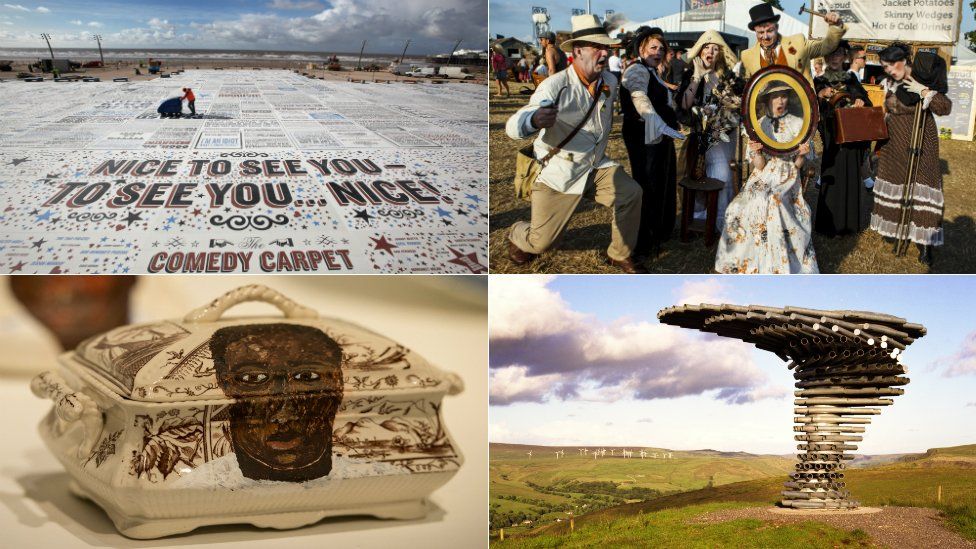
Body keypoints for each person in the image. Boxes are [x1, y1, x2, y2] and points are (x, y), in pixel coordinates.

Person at [505, 14, 646, 273]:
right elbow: (513, 126)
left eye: (606, 47)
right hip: (560, 173)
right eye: (597, 47)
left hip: (595, 166)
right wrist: (534, 119)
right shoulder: (554, 86)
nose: (604, 53)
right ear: (578, 51)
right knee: (542, 243)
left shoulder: (610, 82)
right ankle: (517, 232)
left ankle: (619, 253)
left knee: (631, 193)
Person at [211, 323, 344, 482]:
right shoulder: (199, 486)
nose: (283, 416)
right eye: (253, 378)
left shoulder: (371, 476)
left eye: (307, 376)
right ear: (223, 382)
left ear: (338, 383)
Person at [715, 83, 819, 274]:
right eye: (775, 96)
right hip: (762, 174)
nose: (780, 100)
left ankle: (778, 262)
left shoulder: (798, 124)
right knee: (738, 207)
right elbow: (760, 166)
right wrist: (755, 152)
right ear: (767, 101)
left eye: (784, 96)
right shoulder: (759, 124)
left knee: (774, 202)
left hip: (788, 173)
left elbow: (797, 166)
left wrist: (802, 155)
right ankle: (749, 259)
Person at [868, 43, 951, 266]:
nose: (888, 70)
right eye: (884, 66)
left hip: (922, 141)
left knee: (921, 188)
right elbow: (885, 110)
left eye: (890, 65)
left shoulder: (925, 76)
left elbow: (945, 107)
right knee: (898, 186)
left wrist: (924, 92)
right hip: (894, 142)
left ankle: (925, 246)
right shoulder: (890, 83)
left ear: (904, 61)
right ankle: (899, 231)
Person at [621, 27, 682, 260]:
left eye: (661, 49)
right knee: (648, 183)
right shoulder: (636, 70)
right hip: (643, 134)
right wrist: (659, 123)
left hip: (657, 134)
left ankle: (660, 229)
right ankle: (645, 238)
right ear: (641, 49)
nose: (658, 52)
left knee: (663, 178)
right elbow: (640, 98)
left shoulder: (652, 71)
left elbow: (661, 99)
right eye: (653, 48)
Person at [678, 29, 740, 230]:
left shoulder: (726, 76)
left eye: (715, 49)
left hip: (724, 133)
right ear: (700, 51)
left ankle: (721, 217)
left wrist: (725, 101)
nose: (710, 52)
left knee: (723, 173)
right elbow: (686, 105)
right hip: (700, 136)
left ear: (719, 54)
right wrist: (697, 77)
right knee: (703, 173)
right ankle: (711, 215)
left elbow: (736, 103)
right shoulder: (690, 74)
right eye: (707, 47)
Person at [814, 41, 872, 238]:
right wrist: (820, 95)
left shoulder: (851, 79)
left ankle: (848, 226)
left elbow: (867, 102)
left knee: (850, 175)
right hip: (831, 136)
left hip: (851, 135)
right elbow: (809, 106)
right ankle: (828, 226)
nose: (835, 57)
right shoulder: (819, 80)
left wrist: (860, 101)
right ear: (826, 57)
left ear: (844, 56)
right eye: (831, 53)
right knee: (831, 175)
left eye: (839, 53)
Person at [739, 3, 847, 82]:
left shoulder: (798, 42)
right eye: (761, 32)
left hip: (801, 110)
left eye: (770, 31)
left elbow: (827, 46)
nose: (765, 36)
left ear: (776, 28)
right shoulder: (746, 56)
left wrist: (835, 26)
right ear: (755, 32)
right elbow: (745, 88)